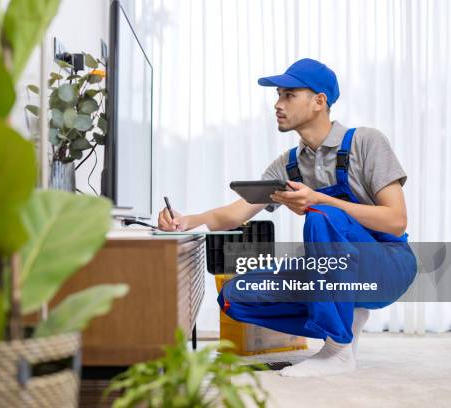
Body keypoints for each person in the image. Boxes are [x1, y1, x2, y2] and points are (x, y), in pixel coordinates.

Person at [157, 58, 416, 377]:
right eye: (278, 95)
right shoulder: (290, 164)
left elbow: (396, 220)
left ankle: (338, 349)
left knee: (321, 216)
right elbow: (238, 211)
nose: (277, 105)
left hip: (388, 265)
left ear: (319, 101)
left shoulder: (366, 142)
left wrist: (319, 199)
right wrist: (188, 220)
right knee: (235, 297)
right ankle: (347, 314)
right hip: (336, 271)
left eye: (289, 95)